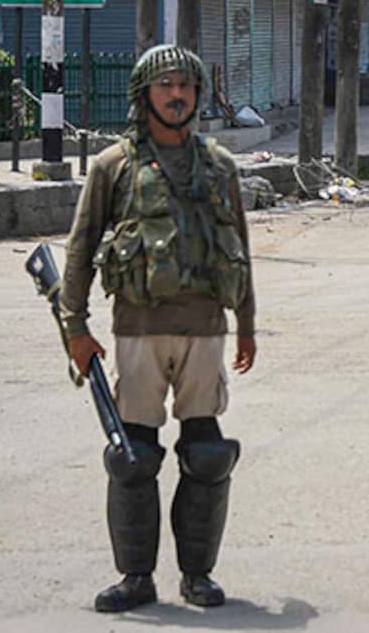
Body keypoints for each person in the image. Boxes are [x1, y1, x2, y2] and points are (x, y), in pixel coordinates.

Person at [60, 44, 256, 613]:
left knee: (208, 452)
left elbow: (239, 246)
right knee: (133, 456)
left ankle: (197, 576)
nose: (177, 95)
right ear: (143, 94)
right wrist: (75, 327)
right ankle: (135, 577)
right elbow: (80, 249)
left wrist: (247, 324)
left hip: (204, 329)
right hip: (137, 331)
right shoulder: (112, 166)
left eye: (187, 86)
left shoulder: (219, 165)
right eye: (166, 85)